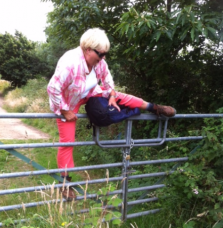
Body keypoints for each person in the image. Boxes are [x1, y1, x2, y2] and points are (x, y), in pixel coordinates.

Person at [47, 28, 176, 200]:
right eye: (101, 54)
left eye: (105, 54)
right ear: (87, 50)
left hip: (89, 93)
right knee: (67, 141)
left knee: (122, 97)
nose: (103, 58)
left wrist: (113, 95)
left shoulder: (99, 62)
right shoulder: (70, 63)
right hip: (68, 101)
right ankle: (65, 183)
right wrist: (64, 110)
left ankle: (155, 108)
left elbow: (107, 79)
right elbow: (53, 88)